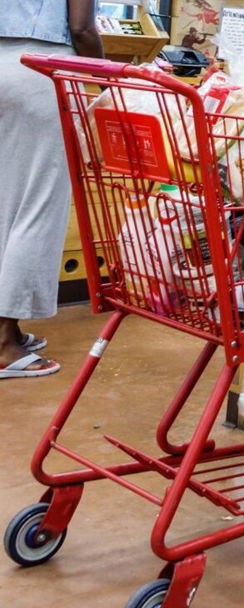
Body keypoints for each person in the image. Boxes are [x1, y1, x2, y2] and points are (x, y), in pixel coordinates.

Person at [0, 0, 104, 380]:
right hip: (39, 72)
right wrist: (106, 75)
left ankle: (8, 329)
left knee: (3, 203)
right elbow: (81, 28)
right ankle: (3, 344)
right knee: (36, 208)